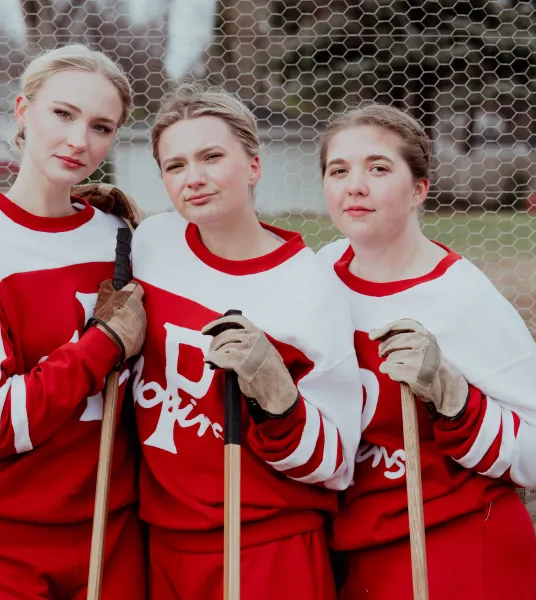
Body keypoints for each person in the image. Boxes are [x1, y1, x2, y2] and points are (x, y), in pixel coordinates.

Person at [0, 43, 146, 600]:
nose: (79, 141)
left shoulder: (121, 238)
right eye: (63, 114)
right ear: (23, 111)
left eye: (101, 126)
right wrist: (101, 345)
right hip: (7, 544)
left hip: (114, 531)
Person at [130, 85, 363, 600]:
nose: (193, 178)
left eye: (212, 157)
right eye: (174, 166)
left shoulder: (308, 286)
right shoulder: (151, 243)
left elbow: (336, 462)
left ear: (254, 166)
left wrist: (278, 401)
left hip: (266, 544)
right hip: (164, 538)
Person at [317, 103, 536, 600]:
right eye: (339, 170)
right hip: (357, 543)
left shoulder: (463, 299)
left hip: (457, 543)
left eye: (378, 168)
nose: (354, 185)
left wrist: (455, 399)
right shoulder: (322, 273)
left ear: (419, 189)